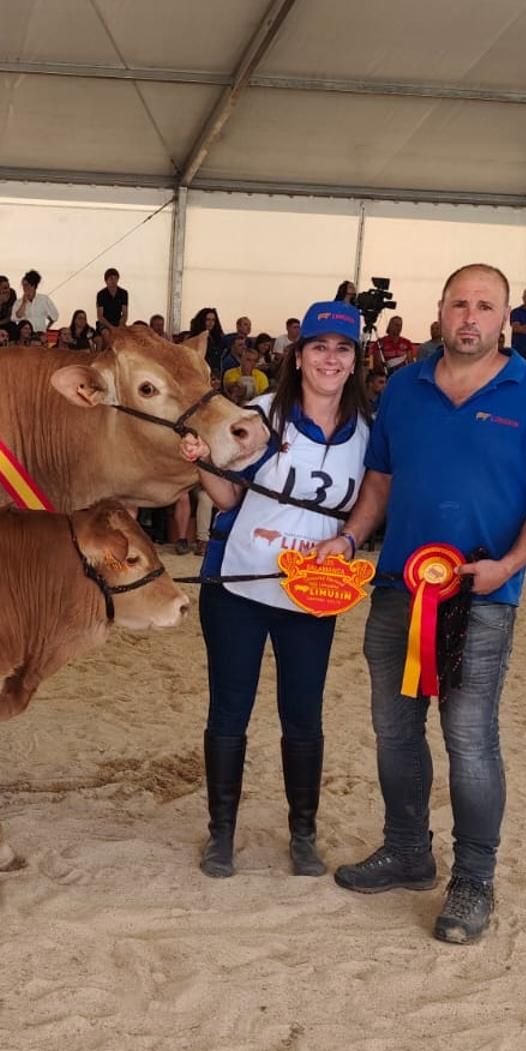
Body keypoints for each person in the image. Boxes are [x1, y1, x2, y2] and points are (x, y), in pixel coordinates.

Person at [319, 264, 526, 945]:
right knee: (394, 729)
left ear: (506, 320)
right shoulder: (404, 386)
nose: (470, 316)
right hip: (394, 590)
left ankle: (474, 877)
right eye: (459, 304)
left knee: (470, 739)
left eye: (485, 306)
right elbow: (380, 479)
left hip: (483, 595)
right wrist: (350, 536)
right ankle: (408, 851)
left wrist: (511, 564)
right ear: (439, 311)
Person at [180, 300, 371, 881]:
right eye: (319, 347)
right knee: (230, 708)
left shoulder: (367, 432)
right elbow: (230, 499)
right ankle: (222, 834)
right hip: (239, 584)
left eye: (342, 349)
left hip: (313, 593)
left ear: (355, 359)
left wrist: (349, 541)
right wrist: (200, 460)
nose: (330, 359)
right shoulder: (258, 414)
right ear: (299, 354)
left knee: (303, 714)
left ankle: (304, 833)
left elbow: (372, 499)